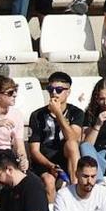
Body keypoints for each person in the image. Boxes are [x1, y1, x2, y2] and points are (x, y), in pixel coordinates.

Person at [29, 71, 85, 200]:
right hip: (45, 160)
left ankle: (76, 190)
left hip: (67, 157)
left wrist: (59, 114)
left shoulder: (76, 113)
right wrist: (50, 165)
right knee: (48, 181)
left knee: (71, 144)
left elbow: (74, 139)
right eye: (50, 89)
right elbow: (34, 150)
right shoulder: (37, 115)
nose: (54, 93)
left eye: (59, 90)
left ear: (68, 92)